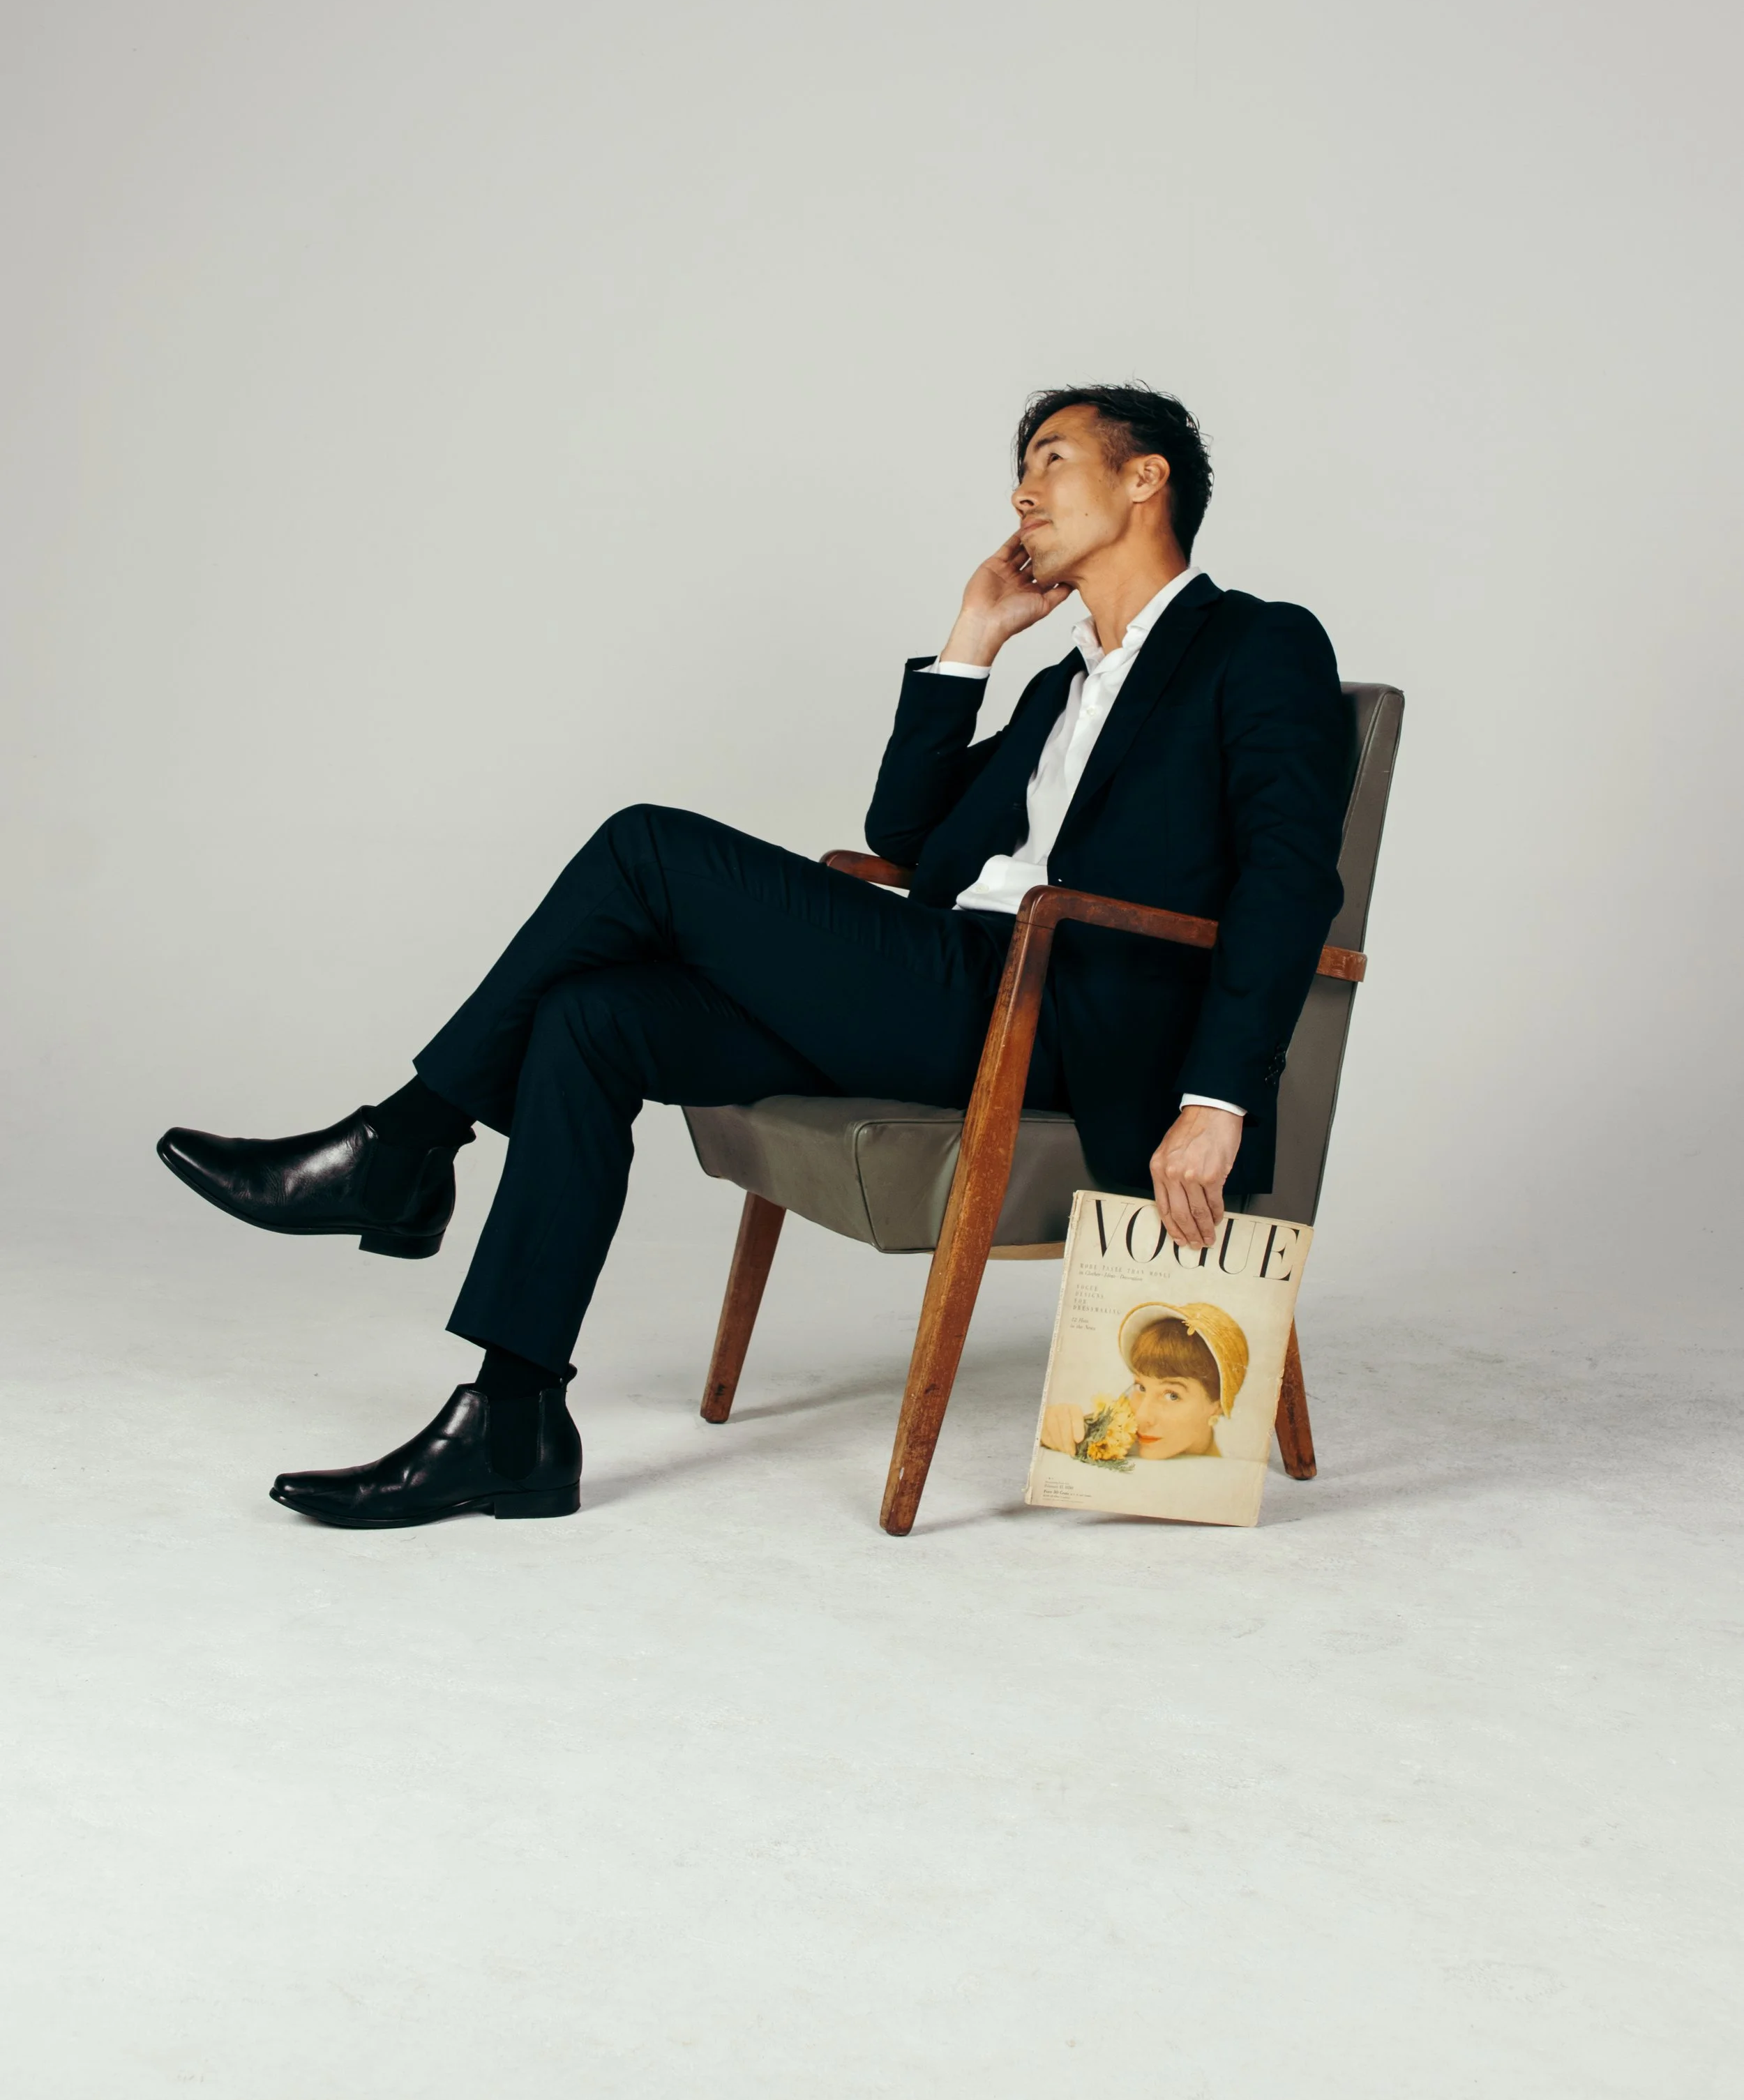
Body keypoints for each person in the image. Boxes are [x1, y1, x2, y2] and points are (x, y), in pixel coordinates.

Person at [158, 386, 1351, 1529]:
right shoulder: (1059, 688)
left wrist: (1218, 1097)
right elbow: (908, 843)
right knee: (592, 1015)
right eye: (1019, 469)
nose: (1021, 494)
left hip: (1048, 1012)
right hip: (944, 976)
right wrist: (973, 641)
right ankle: (510, 1423)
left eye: (1052, 461)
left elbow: (1292, 883)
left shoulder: (1256, 647)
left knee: (646, 852)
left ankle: (405, 1142)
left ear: (1146, 480)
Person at [1038, 1301, 1249, 1464]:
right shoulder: (1119, 1447)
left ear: (1218, 1404)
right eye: (1141, 1387)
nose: (1141, 1416)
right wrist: (1055, 1429)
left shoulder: (1232, 1475)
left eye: (1172, 1395)